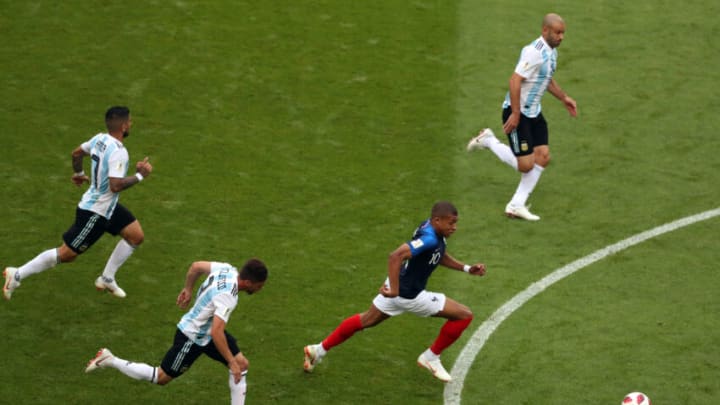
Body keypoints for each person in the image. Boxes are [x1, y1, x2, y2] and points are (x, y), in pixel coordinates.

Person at [303, 201, 486, 382]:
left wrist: (467, 268)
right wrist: (396, 291)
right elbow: (396, 256)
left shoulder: (431, 230)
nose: (454, 227)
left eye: (455, 223)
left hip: (395, 285)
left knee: (366, 320)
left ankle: (317, 350)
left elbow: (438, 255)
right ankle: (431, 357)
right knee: (464, 315)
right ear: (437, 220)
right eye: (451, 223)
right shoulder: (430, 238)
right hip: (409, 295)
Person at [3, 106, 152, 300]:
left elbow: (76, 154)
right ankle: (17, 274)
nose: (131, 124)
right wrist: (141, 175)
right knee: (67, 254)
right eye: (130, 122)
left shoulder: (99, 139)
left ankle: (107, 278)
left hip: (108, 207)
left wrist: (79, 174)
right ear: (123, 126)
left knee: (136, 236)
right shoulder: (119, 151)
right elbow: (115, 186)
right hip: (95, 212)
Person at [85, 259, 268, 405]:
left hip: (205, 331)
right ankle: (109, 359)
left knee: (242, 364)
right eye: (259, 286)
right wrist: (230, 361)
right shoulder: (228, 296)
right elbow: (216, 333)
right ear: (247, 282)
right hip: (192, 336)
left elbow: (196, 266)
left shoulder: (227, 269)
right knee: (161, 377)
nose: (260, 290)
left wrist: (188, 288)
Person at [467, 13, 577, 221]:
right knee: (525, 165)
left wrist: (564, 98)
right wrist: (516, 114)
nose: (561, 37)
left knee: (543, 157)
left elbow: (546, 79)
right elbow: (515, 81)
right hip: (518, 113)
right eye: (557, 32)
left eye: (563, 33)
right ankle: (489, 140)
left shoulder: (551, 52)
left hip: (534, 112)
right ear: (545, 31)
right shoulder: (533, 52)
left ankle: (516, 205)